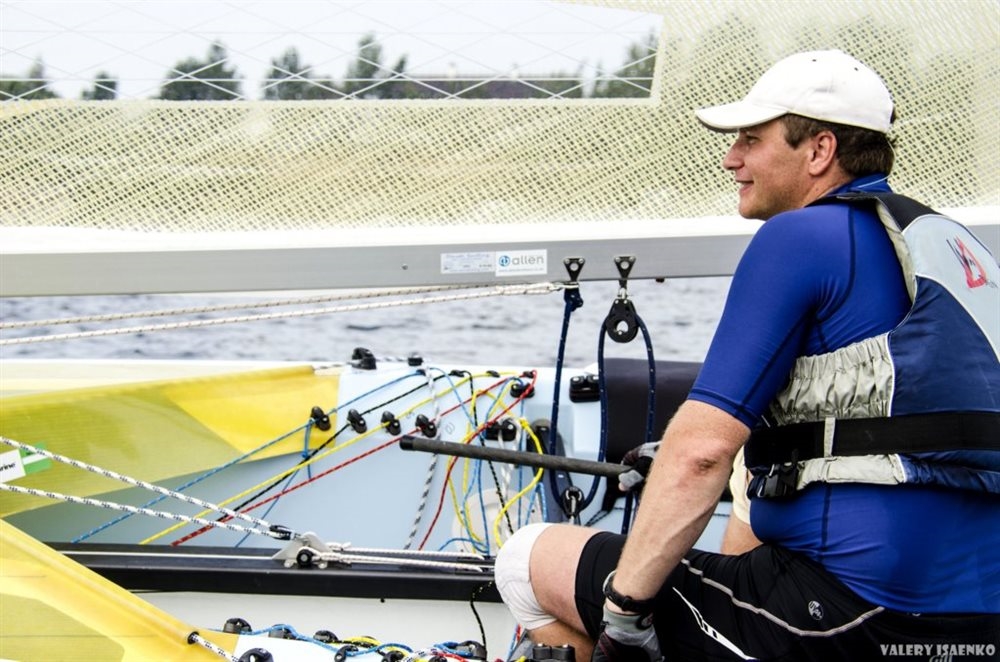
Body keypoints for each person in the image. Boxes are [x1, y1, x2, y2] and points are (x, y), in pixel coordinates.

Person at [495, 49, 1000, 661]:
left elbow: (701, 454)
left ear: (819, 150)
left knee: (526, 561)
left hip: (849, 621)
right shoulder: (953, 251)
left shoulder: (799, 237)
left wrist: (624, 614)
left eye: (751, 140)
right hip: (979, 627)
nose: (731, 158)